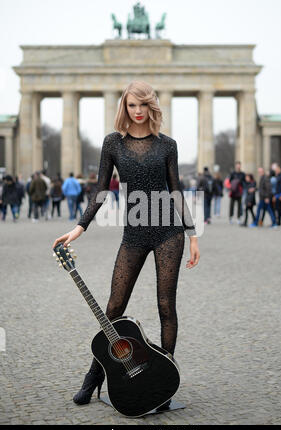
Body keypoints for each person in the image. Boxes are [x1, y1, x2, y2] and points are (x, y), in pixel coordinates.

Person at [52, 80, 200, 408]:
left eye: (142, 105)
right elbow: (102, 191)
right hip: (133, 234)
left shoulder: (167, 145)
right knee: (113, 308)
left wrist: (192, 235)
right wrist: (79, 228)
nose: (136, 112)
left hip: (168, 233)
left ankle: (165, 383)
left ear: (151, 107)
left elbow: (175, 191)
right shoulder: (113, 144)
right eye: (131, 105)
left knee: (166, 306)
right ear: (125, 107)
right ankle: (93, 378)